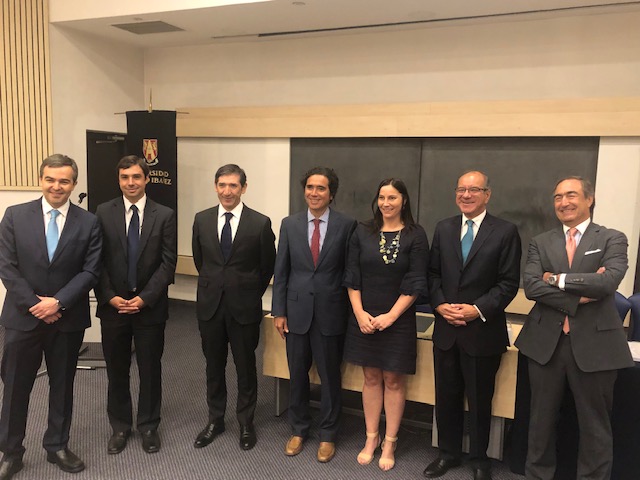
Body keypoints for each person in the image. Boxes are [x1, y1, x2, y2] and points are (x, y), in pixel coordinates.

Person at [515, 176, 633, 480]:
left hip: (596, 346)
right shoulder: (540, 241)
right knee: (539, 423)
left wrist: (555, 279)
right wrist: (580, 294)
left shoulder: (611, 238)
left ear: (588, 199)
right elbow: (531, 287)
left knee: (595, 426)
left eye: (571, 195)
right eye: (557, 197)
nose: (563, 202)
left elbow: (608, 283)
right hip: (545, 344)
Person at [0, 154, 102, 479]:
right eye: (50, 179)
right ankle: (11, 452)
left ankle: (57, 445)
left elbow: (91, 270)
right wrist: (36, 304)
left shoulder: (89, 222)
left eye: (64, 181)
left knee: (62, 385)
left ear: (74, 184)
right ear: (41, 179)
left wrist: (57, 302)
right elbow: (7, 266)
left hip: (66, 319)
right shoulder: (15, 216)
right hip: (22, 317)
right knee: (15, 387)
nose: (57, 186)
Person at [425, 170, 521, 480]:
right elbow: (433, 275)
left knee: (480, 400)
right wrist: (439, 305)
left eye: (474, 190)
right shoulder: (443, 228)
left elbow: (508, 284)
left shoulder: (505, 232)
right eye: (461, 190)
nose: (466, 195)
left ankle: (480, 460)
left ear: (487, 195)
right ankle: (448, 453)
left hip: (482, 330)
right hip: (446, 330)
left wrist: (476, 309)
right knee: (447, 397)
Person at [272, 167, 356, 463]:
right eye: (309, 187)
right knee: (297, 374)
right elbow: (281, 270)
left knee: (330, 376)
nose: (314, 193)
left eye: (321, 188)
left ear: (331, 193)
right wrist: (278, 311)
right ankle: (298, 428)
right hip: (295, 313)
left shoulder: (347, 225)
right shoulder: (289, 224)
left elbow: (350, 272)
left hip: (331, 312)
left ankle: (328, 434)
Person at [344, 178, 429, 471]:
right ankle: (371, 437)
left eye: (392, 197)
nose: (386, 203)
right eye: (382, 197)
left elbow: (417, 281)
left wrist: (391, 316)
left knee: (393, 379)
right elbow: (351, 275)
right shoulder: (362, 231)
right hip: (364, 317)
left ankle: (390, 441)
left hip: (398, 318)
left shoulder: (416, 235)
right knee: (370, 378)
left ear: (403, 200)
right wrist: (359, 313)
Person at [94, 155, 177, 455]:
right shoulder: (103, 212)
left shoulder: (164, 215)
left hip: (150, 308)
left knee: (150, 369)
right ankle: (119, 426)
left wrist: (144, 298)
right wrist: (109, 295)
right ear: (119, 180)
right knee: (117, 369)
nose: (131, 182)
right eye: (125, 177)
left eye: (136, 177)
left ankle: (149, 425)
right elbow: (96, 260)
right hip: (113, 306)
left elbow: (168, 264)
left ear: (146, 179)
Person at [192, 164, 276, 451]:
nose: (227, 191)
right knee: (213, 366)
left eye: (233, 186)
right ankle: (215, 419)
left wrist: (248, 290)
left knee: (245, 366)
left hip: (244, 307)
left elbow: (267, 266)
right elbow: (200, 260)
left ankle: (245, 422)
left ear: (243, 188)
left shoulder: (260, 223)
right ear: (215, 186)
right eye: (222, 185)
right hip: (210, 307)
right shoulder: (201, 220)